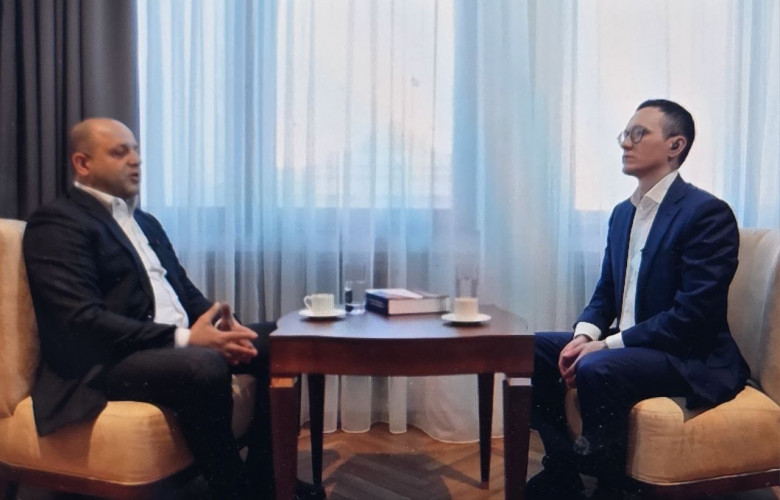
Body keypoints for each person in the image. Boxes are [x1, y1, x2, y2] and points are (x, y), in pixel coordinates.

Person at [23, 118, 323, 500]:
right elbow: (81, 321)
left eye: (135, 150)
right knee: (202, 365)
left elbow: (183, 291)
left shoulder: (144, 222)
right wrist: (186, 339)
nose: (135, 160)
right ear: (83, 164)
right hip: (107, 360)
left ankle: (266, 479)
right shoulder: (59, 222)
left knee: (280, 341)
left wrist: (222, 324)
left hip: (168, 346)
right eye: (119, 152)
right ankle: (233, 491)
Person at [528, 100, 749, 500]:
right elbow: (606, 293)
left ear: (675, 145)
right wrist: (583, 336)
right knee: (533, 349)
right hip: (634, 344)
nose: (625, 143)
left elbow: (692, 315)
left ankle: (614, 488)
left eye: (638, 133)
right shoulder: (621, 215)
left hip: (688, 354)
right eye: (625, 134)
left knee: (599, 366)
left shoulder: (706, 214)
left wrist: (605, 346)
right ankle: (562, 470)